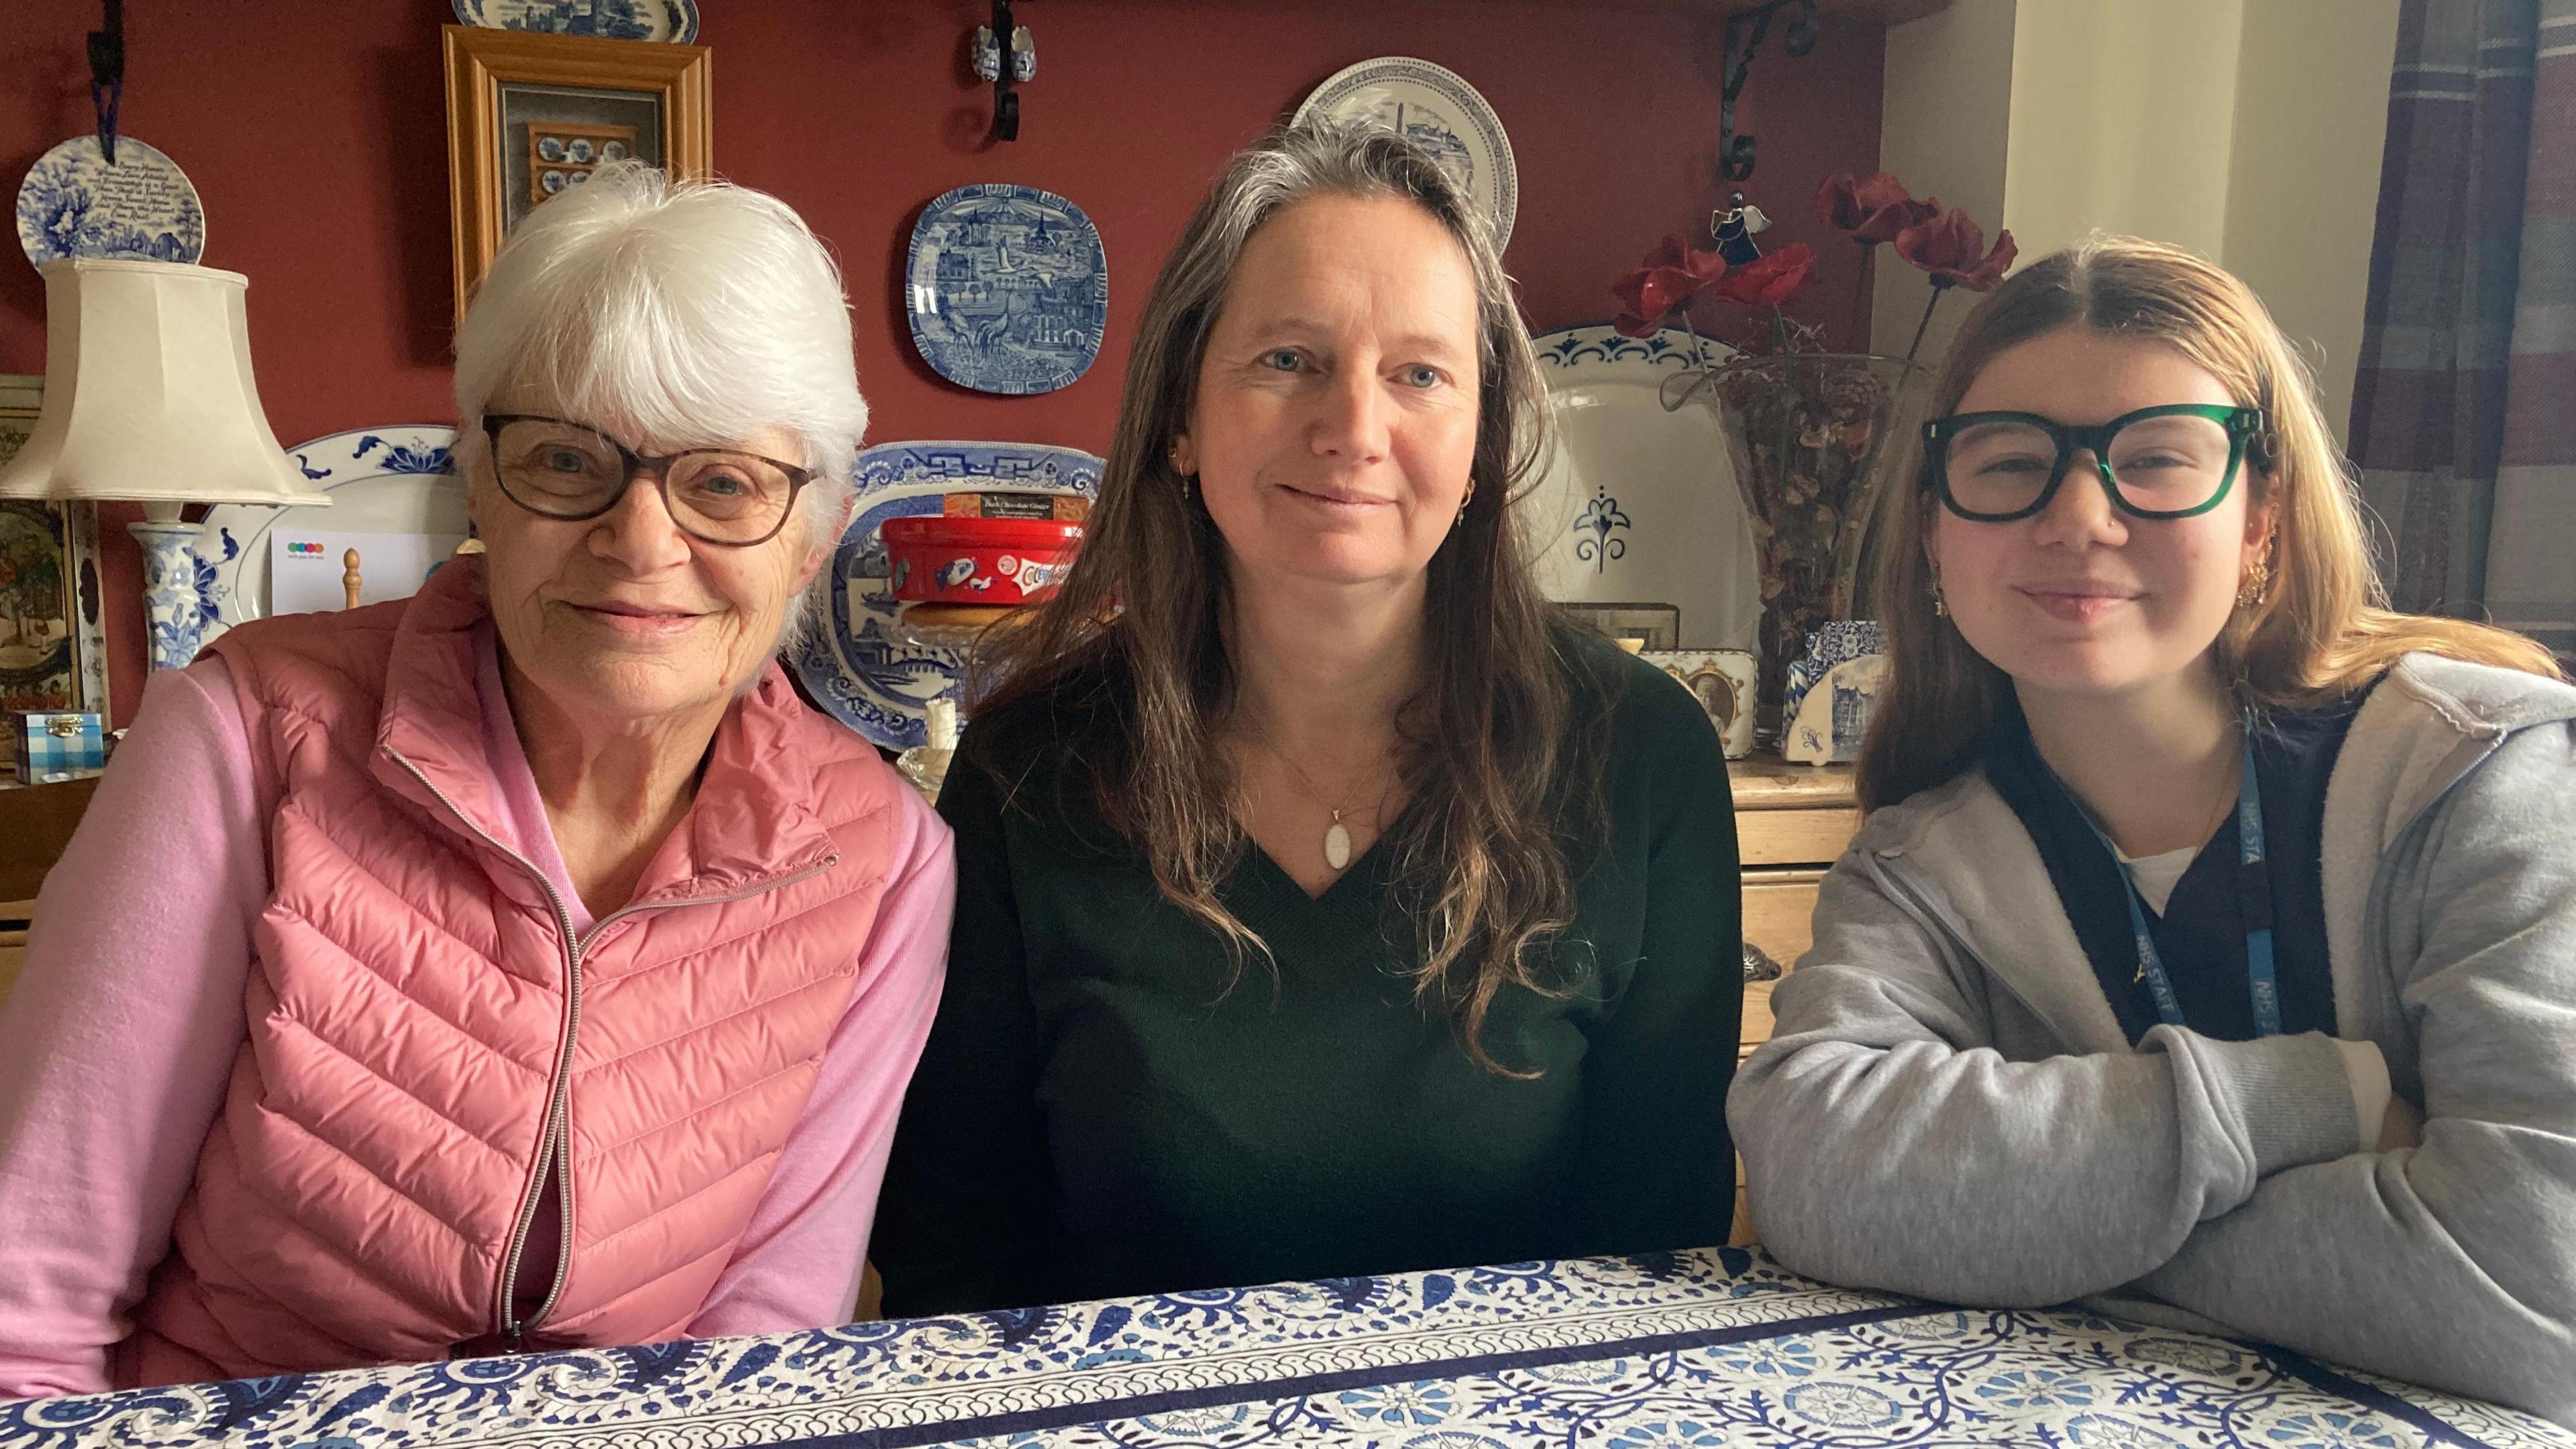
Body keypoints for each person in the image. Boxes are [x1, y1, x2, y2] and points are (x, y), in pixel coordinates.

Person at [0, 163, 954, 1394]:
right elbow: (27, 1311)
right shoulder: (245, 743)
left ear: (815, 530)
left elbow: (762, 1352)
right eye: (566, 461)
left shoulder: (879, 857)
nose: (640, 539)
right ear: (481, 487)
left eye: (724, 482)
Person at [869, 123, 1743, 1316]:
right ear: (1181, 416)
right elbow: (954, 1258)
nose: (1353, 427)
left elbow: (1660, 1258)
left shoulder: (1642, 757)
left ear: (1483, 444)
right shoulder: (1032, 768)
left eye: (1421, 373)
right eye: (1288, 358)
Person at [1727, 235, 2576, 1423]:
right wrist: (2317, 1101)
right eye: (2012, 460)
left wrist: (2040, 1236)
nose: (2080, 515)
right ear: (1932, 528)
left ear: (2262, 515)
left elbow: (2535, 1298)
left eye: (2157, 460)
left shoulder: (2485, 777)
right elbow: (1814, 1174)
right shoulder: (1917, 865)